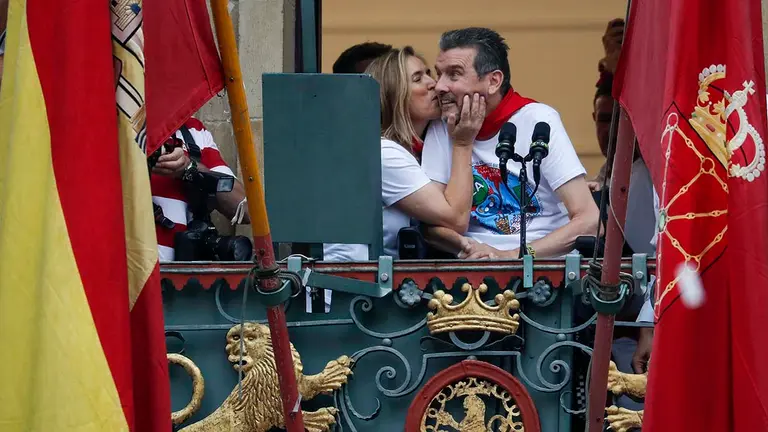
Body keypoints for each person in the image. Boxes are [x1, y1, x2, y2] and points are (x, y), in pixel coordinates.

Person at [421, 27, 599, 259]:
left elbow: (591, 220)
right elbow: (431, 224)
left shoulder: (537, 119)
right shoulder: (442, 125)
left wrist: (513, 255)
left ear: (493, 81)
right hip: (471, 269)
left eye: (454, 74)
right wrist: (469, 248)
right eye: (439, 73)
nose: (440, 86)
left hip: (544, 269)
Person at [322, 46, 486, 261]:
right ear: (394, 96)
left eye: (428, 73)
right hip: (350, 286)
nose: (433, 84)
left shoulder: (399, 150)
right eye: (418, 79)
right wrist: (463, 144)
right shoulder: (384, 154)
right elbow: (455, 218)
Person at [151, 118, 250, 261]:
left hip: (182, 276)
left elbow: (244, 209)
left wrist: (190, 169)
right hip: (122, 273)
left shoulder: (191, 130)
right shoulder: (113, 125)